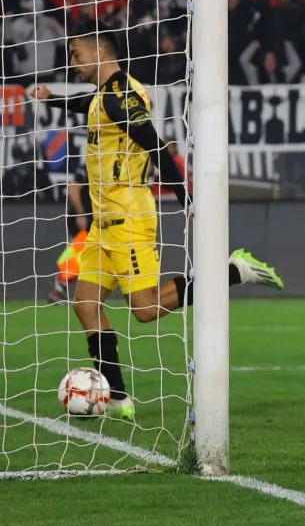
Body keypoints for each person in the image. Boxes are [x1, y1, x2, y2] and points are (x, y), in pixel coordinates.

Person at [29, 27, 284, 421]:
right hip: (102, 225)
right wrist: (54, 100)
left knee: (145, 311)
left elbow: (157, 146)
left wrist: (188, 201)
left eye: (77, 56)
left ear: (100, 52)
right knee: (84, 304)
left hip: (129, 220)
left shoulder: (121, 96)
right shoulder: (107, 95)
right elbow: (92, 104)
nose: (74, 64)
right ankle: (116, 397)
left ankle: (233, 271)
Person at [51, 161, 92, 304]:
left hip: (93, 219)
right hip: (82, 218)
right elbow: (73, 189)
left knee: (86, 256)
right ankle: (59, 287)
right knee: (79, 254)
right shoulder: (86, 166)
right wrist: (81, 214)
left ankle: (63, 289)